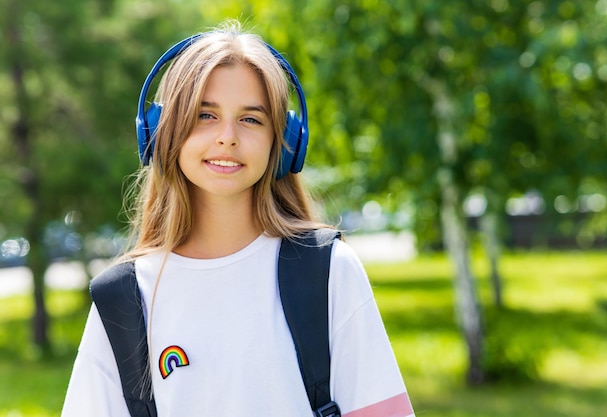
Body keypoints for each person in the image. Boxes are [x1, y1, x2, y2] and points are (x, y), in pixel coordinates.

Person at [61, 20, 414, 417]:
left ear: (284, 144)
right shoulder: (125, 299)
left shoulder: (326, 272)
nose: (227, 136)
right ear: (161, 133)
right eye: (205, 115)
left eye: (251, 119)